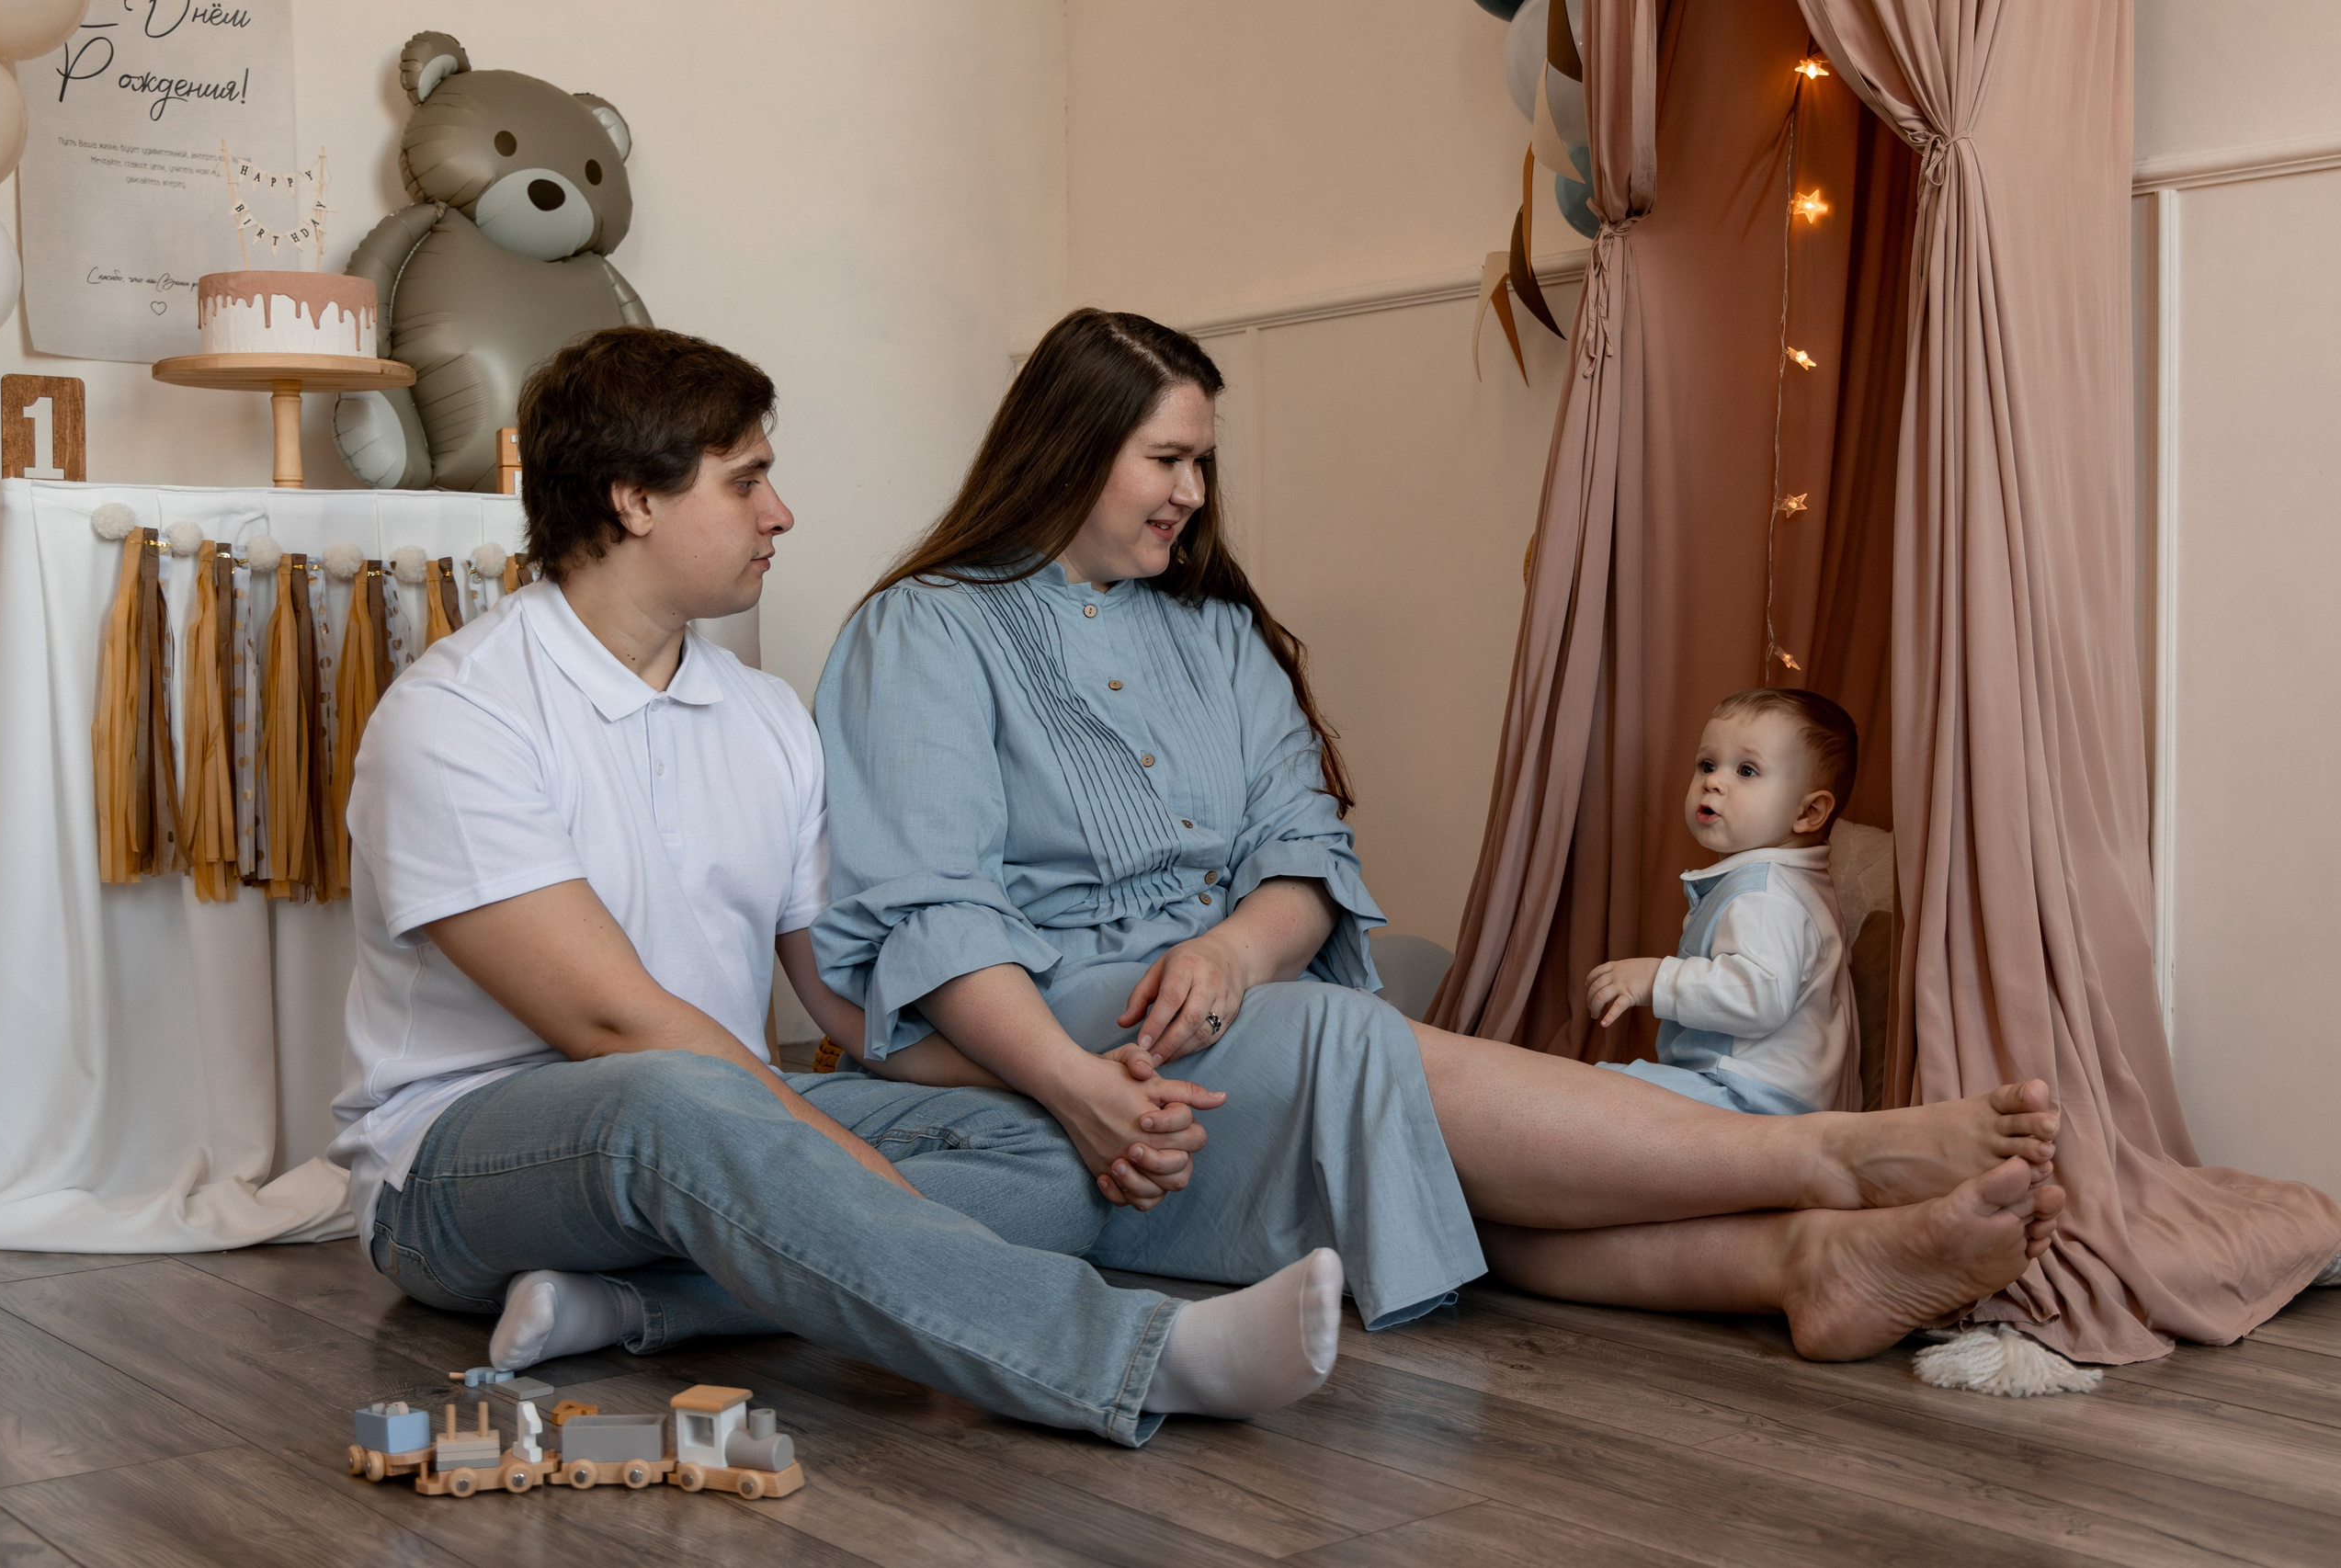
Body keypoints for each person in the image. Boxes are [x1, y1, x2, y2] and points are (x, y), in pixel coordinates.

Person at [813, 307, 2067, 1361]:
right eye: (1166, 459)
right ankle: (1832, 1162)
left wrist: (1239, 955)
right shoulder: (925, 628)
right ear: (1070, 447)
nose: (1194, 494)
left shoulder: (1215, 629)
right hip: (1050, 1016)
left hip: (1222, 992)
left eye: (1204, 461)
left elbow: (1303, 857)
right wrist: (1076, 1086)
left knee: (1390, 1125)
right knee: (1351, 1040)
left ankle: (1808, 1262)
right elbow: (938, 915)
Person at [325, 325, 1350, 1449]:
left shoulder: (763, 716)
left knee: (1050, 1163)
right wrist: (854, 1162)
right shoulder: (460, 716)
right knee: (669, 1094)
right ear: (632, 500)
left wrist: (1075, 1088)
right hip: (465, 1167)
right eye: (747, 480)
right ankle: (1138, 1354)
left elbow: (853, 1006)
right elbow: (608, 1021)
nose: (781, 513)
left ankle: (638, 1303)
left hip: (717, 1121)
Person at [1583, 687, 1861, 1115]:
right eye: (1707, 765)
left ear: (1807, 814)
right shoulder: (1787, 882)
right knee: (1600, 1094)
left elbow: (1759, 993)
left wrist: (1658, 978)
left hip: (1753, 1098)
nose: (1713, 780)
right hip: (1761, 1093)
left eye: (1747, 770)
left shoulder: (1766, 895)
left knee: (1592, 1096)